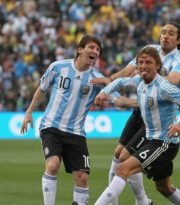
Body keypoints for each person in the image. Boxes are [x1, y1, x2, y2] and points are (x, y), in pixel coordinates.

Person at [90, 22, 180, 205]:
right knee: (159, 184)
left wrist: (148, 77)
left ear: (178, 40)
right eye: (163, 32)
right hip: (143, 112)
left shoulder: (179, 61)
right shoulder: (150, 50)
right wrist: (108, 84)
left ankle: (141, 201)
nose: (165, 36)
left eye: (170, 34)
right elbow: (125, 74)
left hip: (158, 116)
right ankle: (142, 201)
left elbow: (173, 80)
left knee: (124, 162)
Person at [19, 35, 115, 205]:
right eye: (91, 47)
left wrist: (108, 83)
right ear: (80, 49)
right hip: (51, 126)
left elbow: (117, 99)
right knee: (53, 165)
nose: (95, 52)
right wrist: (29, 112)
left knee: (82, 177)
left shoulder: (97, 78)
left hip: (76, 132)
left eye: (98, 50)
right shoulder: (58, 67)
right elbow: (42, 89)